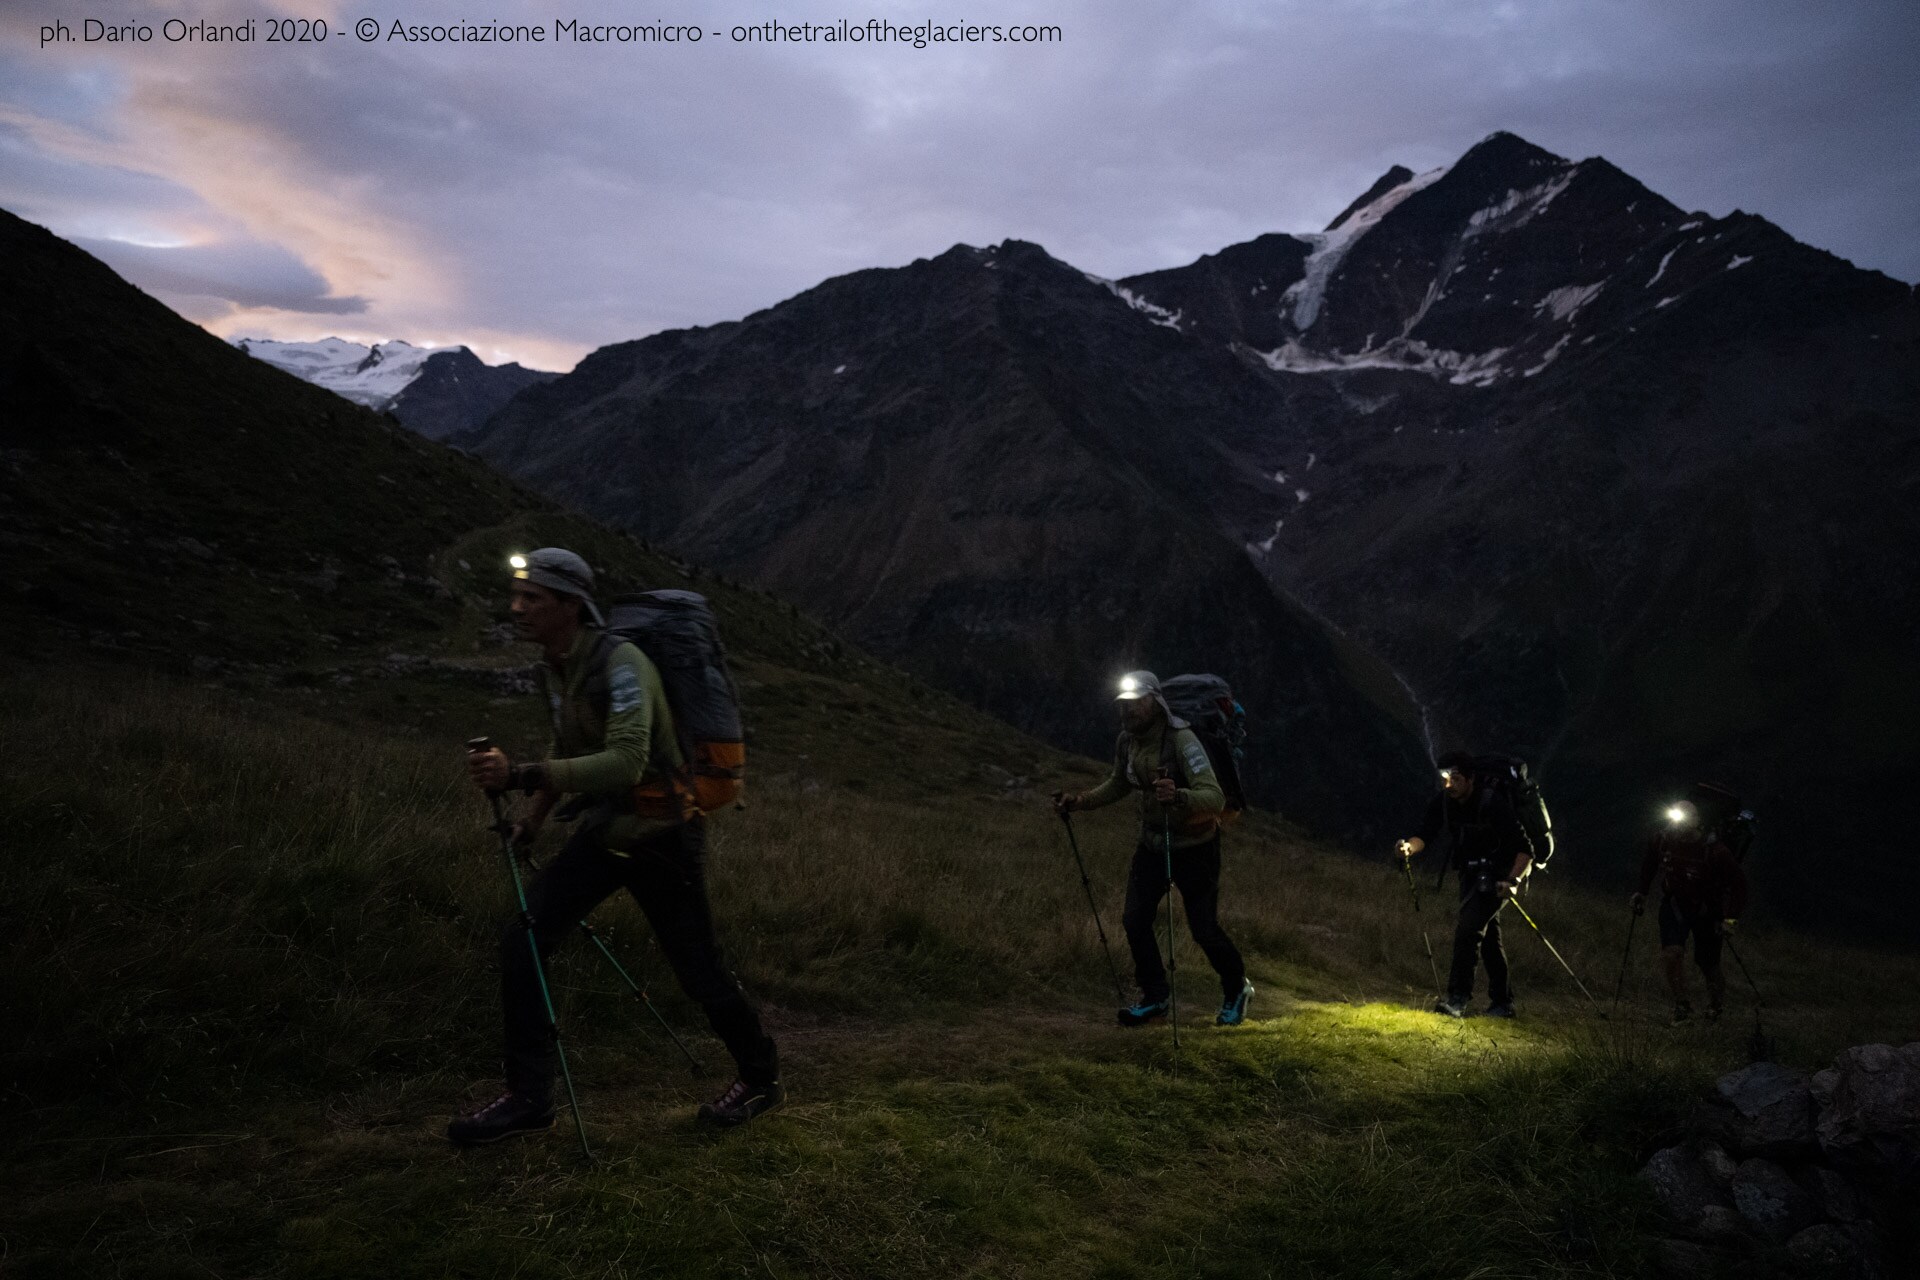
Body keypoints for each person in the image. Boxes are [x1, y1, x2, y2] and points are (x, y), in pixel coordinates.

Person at [452, 547, 781, 1144]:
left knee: (698, 971)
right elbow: (567, 741)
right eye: (518, 595)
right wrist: (532, 820)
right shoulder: (560, 664)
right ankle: (528, 1098)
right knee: (524, 939)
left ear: (572, 605)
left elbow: (627, 760)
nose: (518, 607)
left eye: (534, 598)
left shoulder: (623, 663)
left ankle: (760, 1078)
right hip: (609, 834)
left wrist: (521, 775)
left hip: (662, 838)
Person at [1052, 670, 1253, 1028]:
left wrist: (1178, 796)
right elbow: (1119, 783)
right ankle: (1155, 996)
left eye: (1136, 703)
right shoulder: (1127, 742)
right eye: (1124, 704)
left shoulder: (1182, 741)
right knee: (1135, 919)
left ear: (1155, 702)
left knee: (1203, 929)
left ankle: (1236, 989)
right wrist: (1079, 802)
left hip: (1196, 848)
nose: (1129, 711)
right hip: (1153, 845)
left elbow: (1214, 796)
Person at [1397, 751, 1536, 1018]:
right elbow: (1426, 833)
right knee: (1489, 939)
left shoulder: (1493, 803)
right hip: (1471, 874)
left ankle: (1457, 999)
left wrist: (1513, 881)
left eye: (1455, 779)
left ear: (1470, 779)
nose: (1449, 785)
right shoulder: (1445, 803)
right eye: (1445, 779)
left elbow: (1525, 849)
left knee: (1469, 930)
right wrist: (1408, 848)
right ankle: (1503, 1003)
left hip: (1500, 876)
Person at [1632, 798, 1748, 1024]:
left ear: (1698, 822)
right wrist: (1642, 892)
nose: (1678, 825)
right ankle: (1682, 1006)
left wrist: (1730, 918)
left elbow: (1739, 885)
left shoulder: (1716, 851)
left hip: (1707, 910)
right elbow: (1650, 863)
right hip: (1675, 904)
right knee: (1671, 954)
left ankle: (1715, 1006)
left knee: (1708, 963)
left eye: (1685, 819)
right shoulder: (1662, 840)